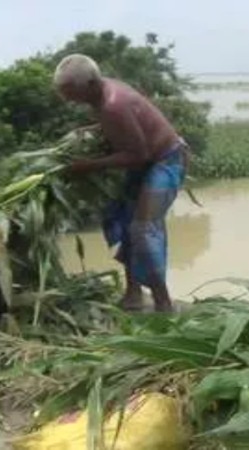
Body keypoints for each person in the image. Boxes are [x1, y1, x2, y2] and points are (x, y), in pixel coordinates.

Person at [53, 53, 187, 313]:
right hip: (144, 163)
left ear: (90, 84)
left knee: (143, 229)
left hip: (165, 161)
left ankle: (163, 304)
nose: (67, 99)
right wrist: (96, 129)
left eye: (70, 92)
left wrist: (86, 166)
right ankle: (133, 293)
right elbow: (123, 129)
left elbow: (139, 155)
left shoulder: (114, 104)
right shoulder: (101, 95)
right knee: (120, 218)